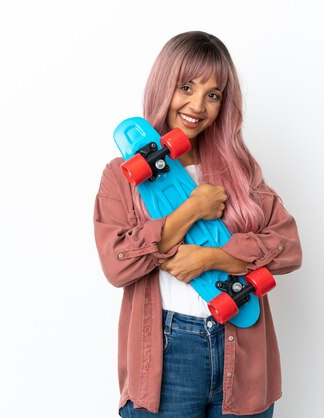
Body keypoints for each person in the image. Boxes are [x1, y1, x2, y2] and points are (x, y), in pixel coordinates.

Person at [94, 31, 302, 418]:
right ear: (164, 87)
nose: (197, 105)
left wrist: (212, 258)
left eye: (213, 94)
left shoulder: (240, 172)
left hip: (241, 347)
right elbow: (117, 265)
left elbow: (289, 248)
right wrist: (192, 209)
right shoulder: (121, 176)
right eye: (185, 87)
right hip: (167, 351)